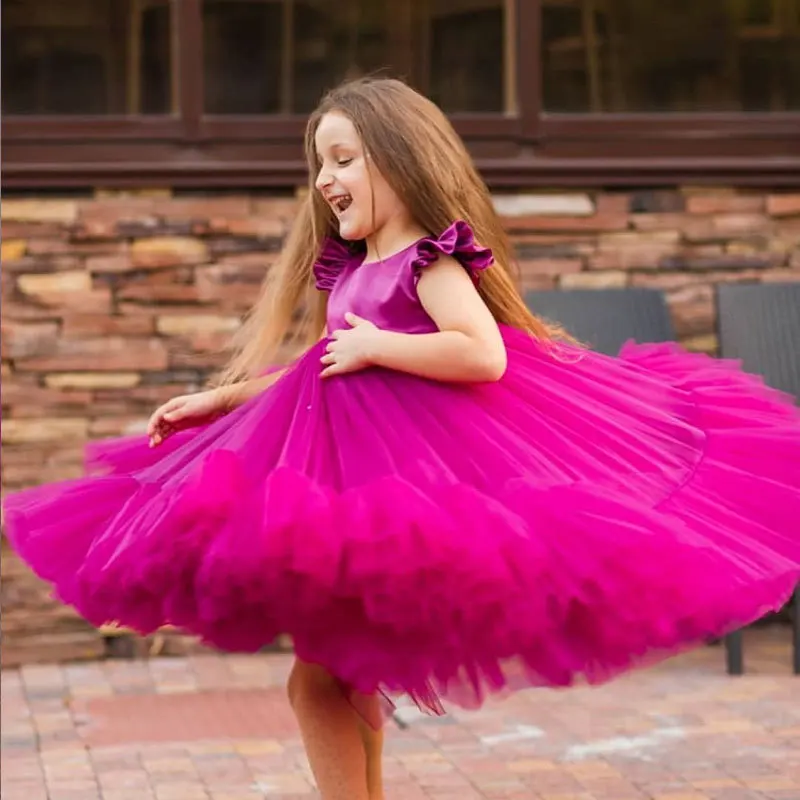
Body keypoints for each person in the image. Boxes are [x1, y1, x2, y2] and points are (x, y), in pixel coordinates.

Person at [4, 77, 800, 800]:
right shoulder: (348, 271)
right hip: (357, 494)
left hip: (410, 487)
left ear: (398, 160)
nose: (325, 181)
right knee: (340, 678)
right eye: (321, 164)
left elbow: (481, 353)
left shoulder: (430, 262)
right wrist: (218, 400)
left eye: (344, 159)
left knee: (316, 684)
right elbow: (319, 369)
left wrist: (383, 346)